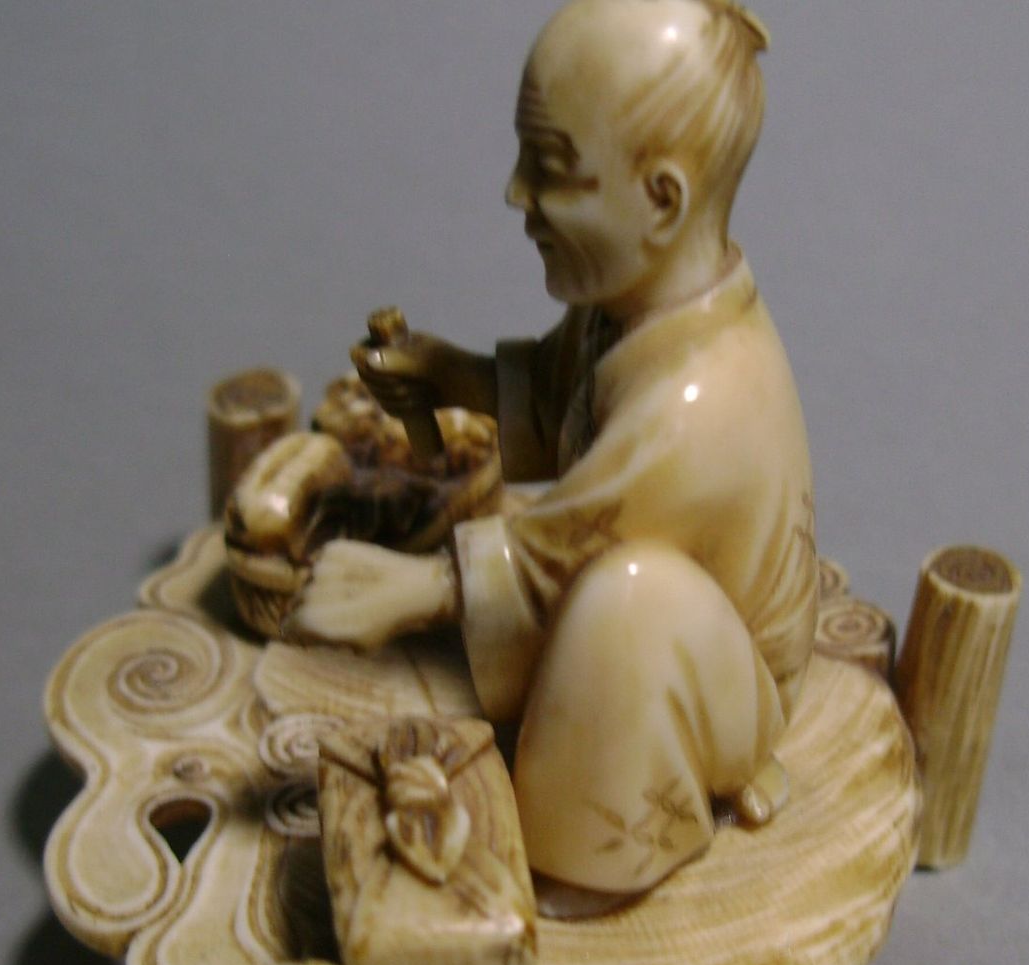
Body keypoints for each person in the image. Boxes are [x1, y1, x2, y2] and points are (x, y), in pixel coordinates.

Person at [288, 0, 817, 909]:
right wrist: (454, 376)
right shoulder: (630, 316)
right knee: (607, 590)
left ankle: (604, 849)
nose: (515, 196)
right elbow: (557, 400)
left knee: (627, 601)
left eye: (550, 170)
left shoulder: (703, 403)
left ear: (661, 201)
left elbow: (564, 547)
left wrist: (415, 588)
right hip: (663, 611)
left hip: (729, 691)